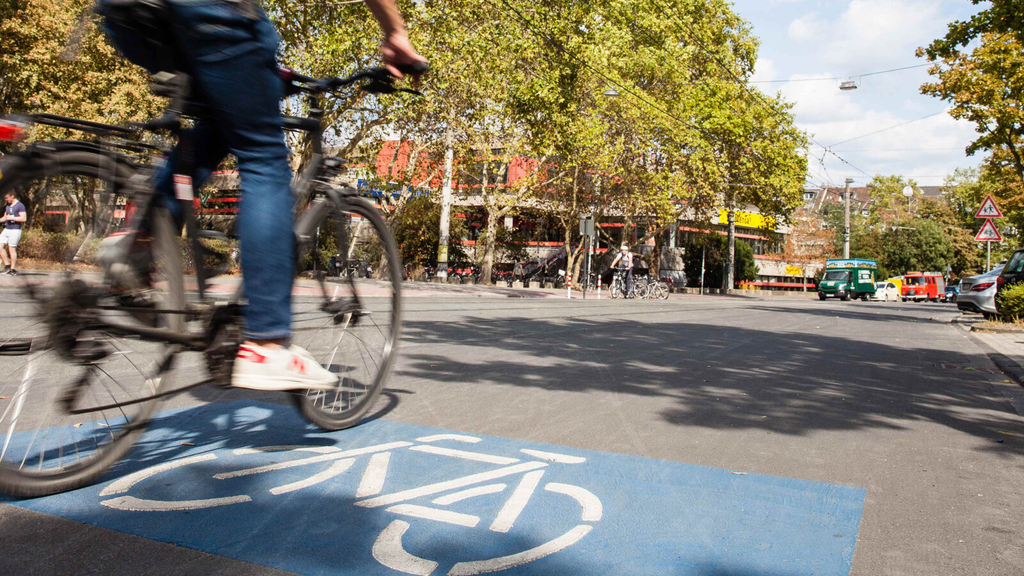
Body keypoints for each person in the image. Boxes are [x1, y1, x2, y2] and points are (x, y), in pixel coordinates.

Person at [96, 0, 426, 391]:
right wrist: (394, 33)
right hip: (210, 12)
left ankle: (139, 241)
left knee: (220, 122)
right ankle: (266, 343)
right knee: (264, 156)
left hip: (126, 14)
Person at [0, 191, 27, 276]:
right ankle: (7, 266)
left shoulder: (20, 205)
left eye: (7, 198)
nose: (6, 199)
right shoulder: (8, 205)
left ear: (12, 196)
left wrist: (12, 217)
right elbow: (5, 217)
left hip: (15, 230)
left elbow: (23, 218)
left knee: (12, 249)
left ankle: (13, 269)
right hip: (7, 229)